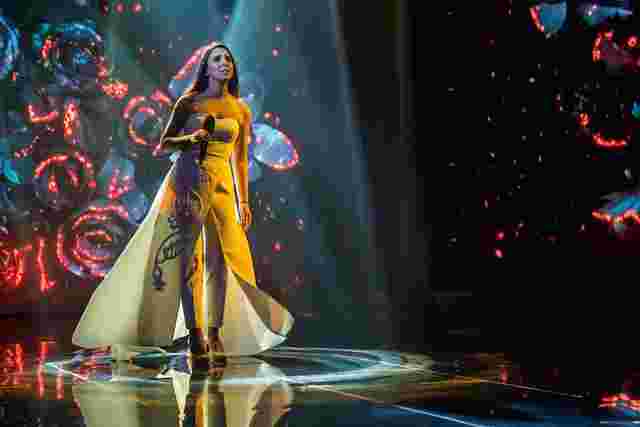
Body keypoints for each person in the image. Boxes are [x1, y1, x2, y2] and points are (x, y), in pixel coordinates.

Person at [72, 42, 294, 369]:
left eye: (228, 59)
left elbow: (240, 159)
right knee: (191, 261)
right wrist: (190, 140)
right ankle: (196, 336)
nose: (224, 63)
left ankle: (214, 333)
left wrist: (244, 200)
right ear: (206, 67)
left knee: (221, 262)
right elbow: (164, 144)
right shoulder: (189, 103)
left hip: (222, 188)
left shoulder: (239, 109)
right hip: (189, 180)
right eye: (217, 59)